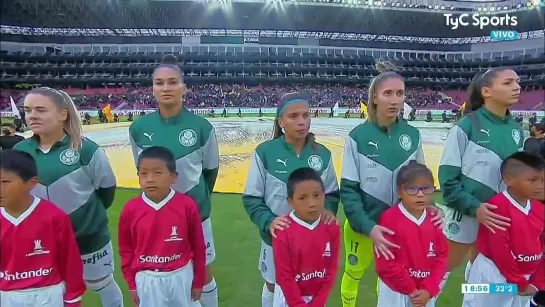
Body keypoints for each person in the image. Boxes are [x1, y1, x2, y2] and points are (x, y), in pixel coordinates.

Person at [339, 62, 442, 307]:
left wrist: (431, 206)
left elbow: (421, 183)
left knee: (389, 279)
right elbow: (349, 192)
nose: (395, 100)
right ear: (374, 97)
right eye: (388, 93)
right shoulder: (357, 137)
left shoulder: (413, 135)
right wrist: (368, 227)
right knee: (353, 273)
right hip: (363, 228)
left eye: (400, 93)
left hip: (399, 231)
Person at [13, 87, 123, 307]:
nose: (32, 115)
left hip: (89, 238)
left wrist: (87, 218)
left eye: (41, 110)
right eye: (28, 110)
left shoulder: (86, 150)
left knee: (102, 283)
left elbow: (106, 190)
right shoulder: (19, 151)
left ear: (63, 114)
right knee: (54, 291)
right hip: (41, 242)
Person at [129, 54, 220, 307]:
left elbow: (210, 171)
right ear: (153, 88)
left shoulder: (201, 127)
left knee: (203, 270)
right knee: (162, 271)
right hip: (155, 215)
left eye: (172, 82)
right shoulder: (138, 128)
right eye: (159, 83)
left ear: (184, 88)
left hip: (196, 213)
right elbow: (141, 168)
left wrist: (197, 198)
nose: (165, 88)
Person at [242, 92, 340, 307]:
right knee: (273, 284)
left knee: (310, 285)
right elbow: (251, 198)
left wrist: (329, 211)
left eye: (306, 115)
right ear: (281, 121)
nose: (301, 121)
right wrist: (269, 221)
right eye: (294, 116)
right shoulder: (265, 152)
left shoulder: (322, 154)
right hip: (275, 238)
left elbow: (332, 193)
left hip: (314, 239)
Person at [439, 67, 524, 290]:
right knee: (442, 270)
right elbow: (447, 180)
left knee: (483, 271)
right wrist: (474, 208)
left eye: (517, 82)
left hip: (499, 217)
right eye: (507, 83)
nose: (517, 87)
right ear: (486, 91)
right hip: (465, 212)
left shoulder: (517, 129)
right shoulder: (467, 126)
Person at [119, 146, 206, 307]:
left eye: (157, 173)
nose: (150, 179)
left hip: (181, 276)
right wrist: (132, 284)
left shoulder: (187, 206)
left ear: (173, 177)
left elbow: (198, 246)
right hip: (147, 279)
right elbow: (126, 250)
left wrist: (198, 281)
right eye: (143, 173)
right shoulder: (130, 209)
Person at [0, 150, 86, 307]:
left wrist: (73, 298)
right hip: (7, 296)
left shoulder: (54, 217)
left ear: (32, 183)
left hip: (49, 294)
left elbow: (70, 260)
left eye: (4, 182)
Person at [463, 152, 545, 307]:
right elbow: (500, 250)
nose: (540, 185)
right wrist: (518, 282)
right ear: (508, 180)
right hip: (493, 276)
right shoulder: (497, 207)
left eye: (543, 180)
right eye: (533, 180)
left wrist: (537, 281)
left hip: (526, 280)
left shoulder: (540, 209)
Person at [375, 161, 448, 307]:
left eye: (426, 189)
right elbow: (385, 262)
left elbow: (442, 257)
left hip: (425, 294)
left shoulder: (435, 219)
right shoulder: (389, 219)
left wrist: (429, 290)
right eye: (412, 189)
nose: (420, 194)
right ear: (400, 192)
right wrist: (411, 288)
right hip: (395, 293)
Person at [272, 167, 340, 307]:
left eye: (317, 195)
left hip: (317, 299)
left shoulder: (332, 227)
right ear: (290, 201)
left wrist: (319, 302)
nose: (312, 203)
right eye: (303, 198)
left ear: (324, 195)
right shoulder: (283, 231)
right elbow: (285, 276)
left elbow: (331, 269)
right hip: (288, 299)